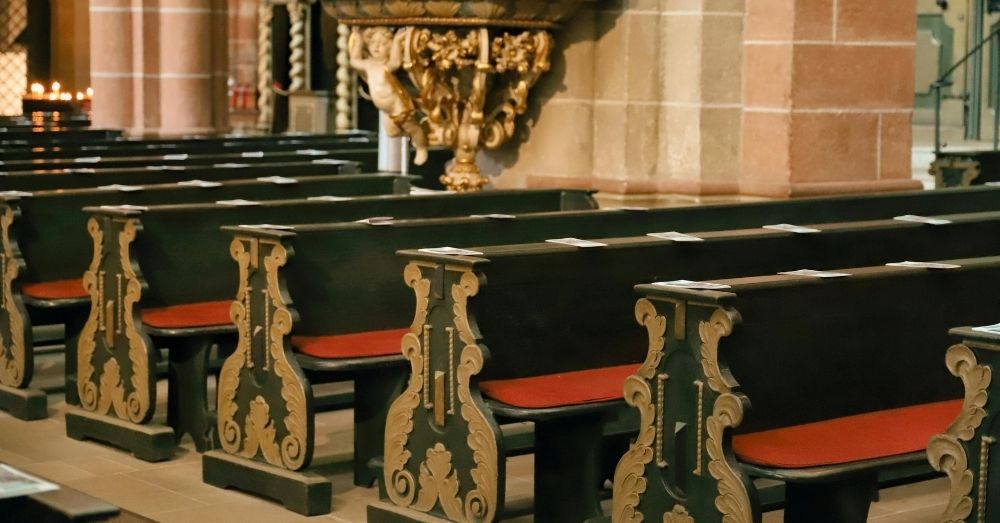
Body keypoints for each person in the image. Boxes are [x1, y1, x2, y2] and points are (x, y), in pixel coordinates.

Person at [350, 27, 429, 165]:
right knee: (392, 133)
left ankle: (422, 148)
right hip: (386, 111)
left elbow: (396, 62)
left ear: (390, 47)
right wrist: (358, 39)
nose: (377, 46)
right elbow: (354, 60)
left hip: (398, 106)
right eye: (373, 42)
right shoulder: (368, 65)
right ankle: (416, 136)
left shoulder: (386, 66)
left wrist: (397, 41)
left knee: (413, 128)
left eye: (383, 43)